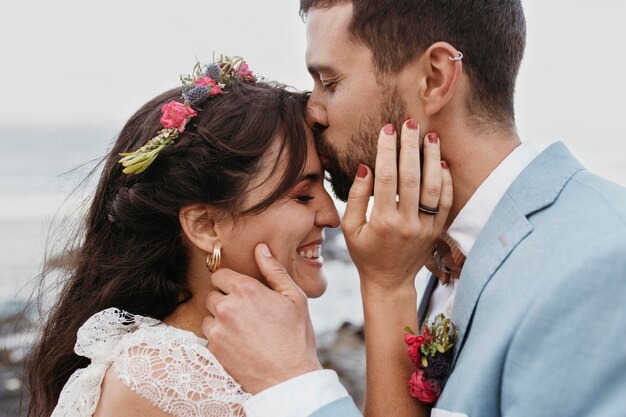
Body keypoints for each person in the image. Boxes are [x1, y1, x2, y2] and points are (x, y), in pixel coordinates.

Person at [202, 2, 626, 417]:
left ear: (434, 79)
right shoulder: (438, 257)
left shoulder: (602, 264)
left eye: (330, 83)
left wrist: (294, 385)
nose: (312, 111)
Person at [25, 57, 424, 417]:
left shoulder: (222, 355)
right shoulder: (166, 376)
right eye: (302, 194)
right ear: (206, 226)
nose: (330, 217)